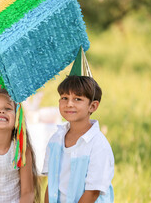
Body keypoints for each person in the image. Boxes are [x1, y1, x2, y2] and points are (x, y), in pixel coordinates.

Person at [42, 75, 114, 203]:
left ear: (92, 106)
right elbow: (51, 184)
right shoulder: (55, 140)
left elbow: (92, 193)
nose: (69, 104)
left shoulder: (98, 145)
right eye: (64, 98)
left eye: (77, 99)